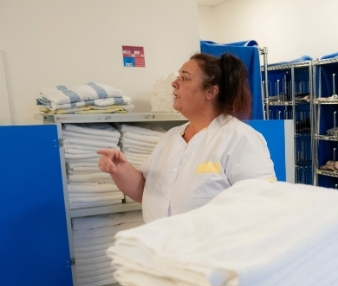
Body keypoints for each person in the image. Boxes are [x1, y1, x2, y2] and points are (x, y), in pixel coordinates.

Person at [97, 53, 276, 223]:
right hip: (163, 249)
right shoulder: (171, 138)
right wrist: (120, 169)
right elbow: (144, 191)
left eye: (185, 78)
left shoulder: (239, 138)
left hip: (210, 252)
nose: (174, 83)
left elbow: (261, 203)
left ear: (211, 92)